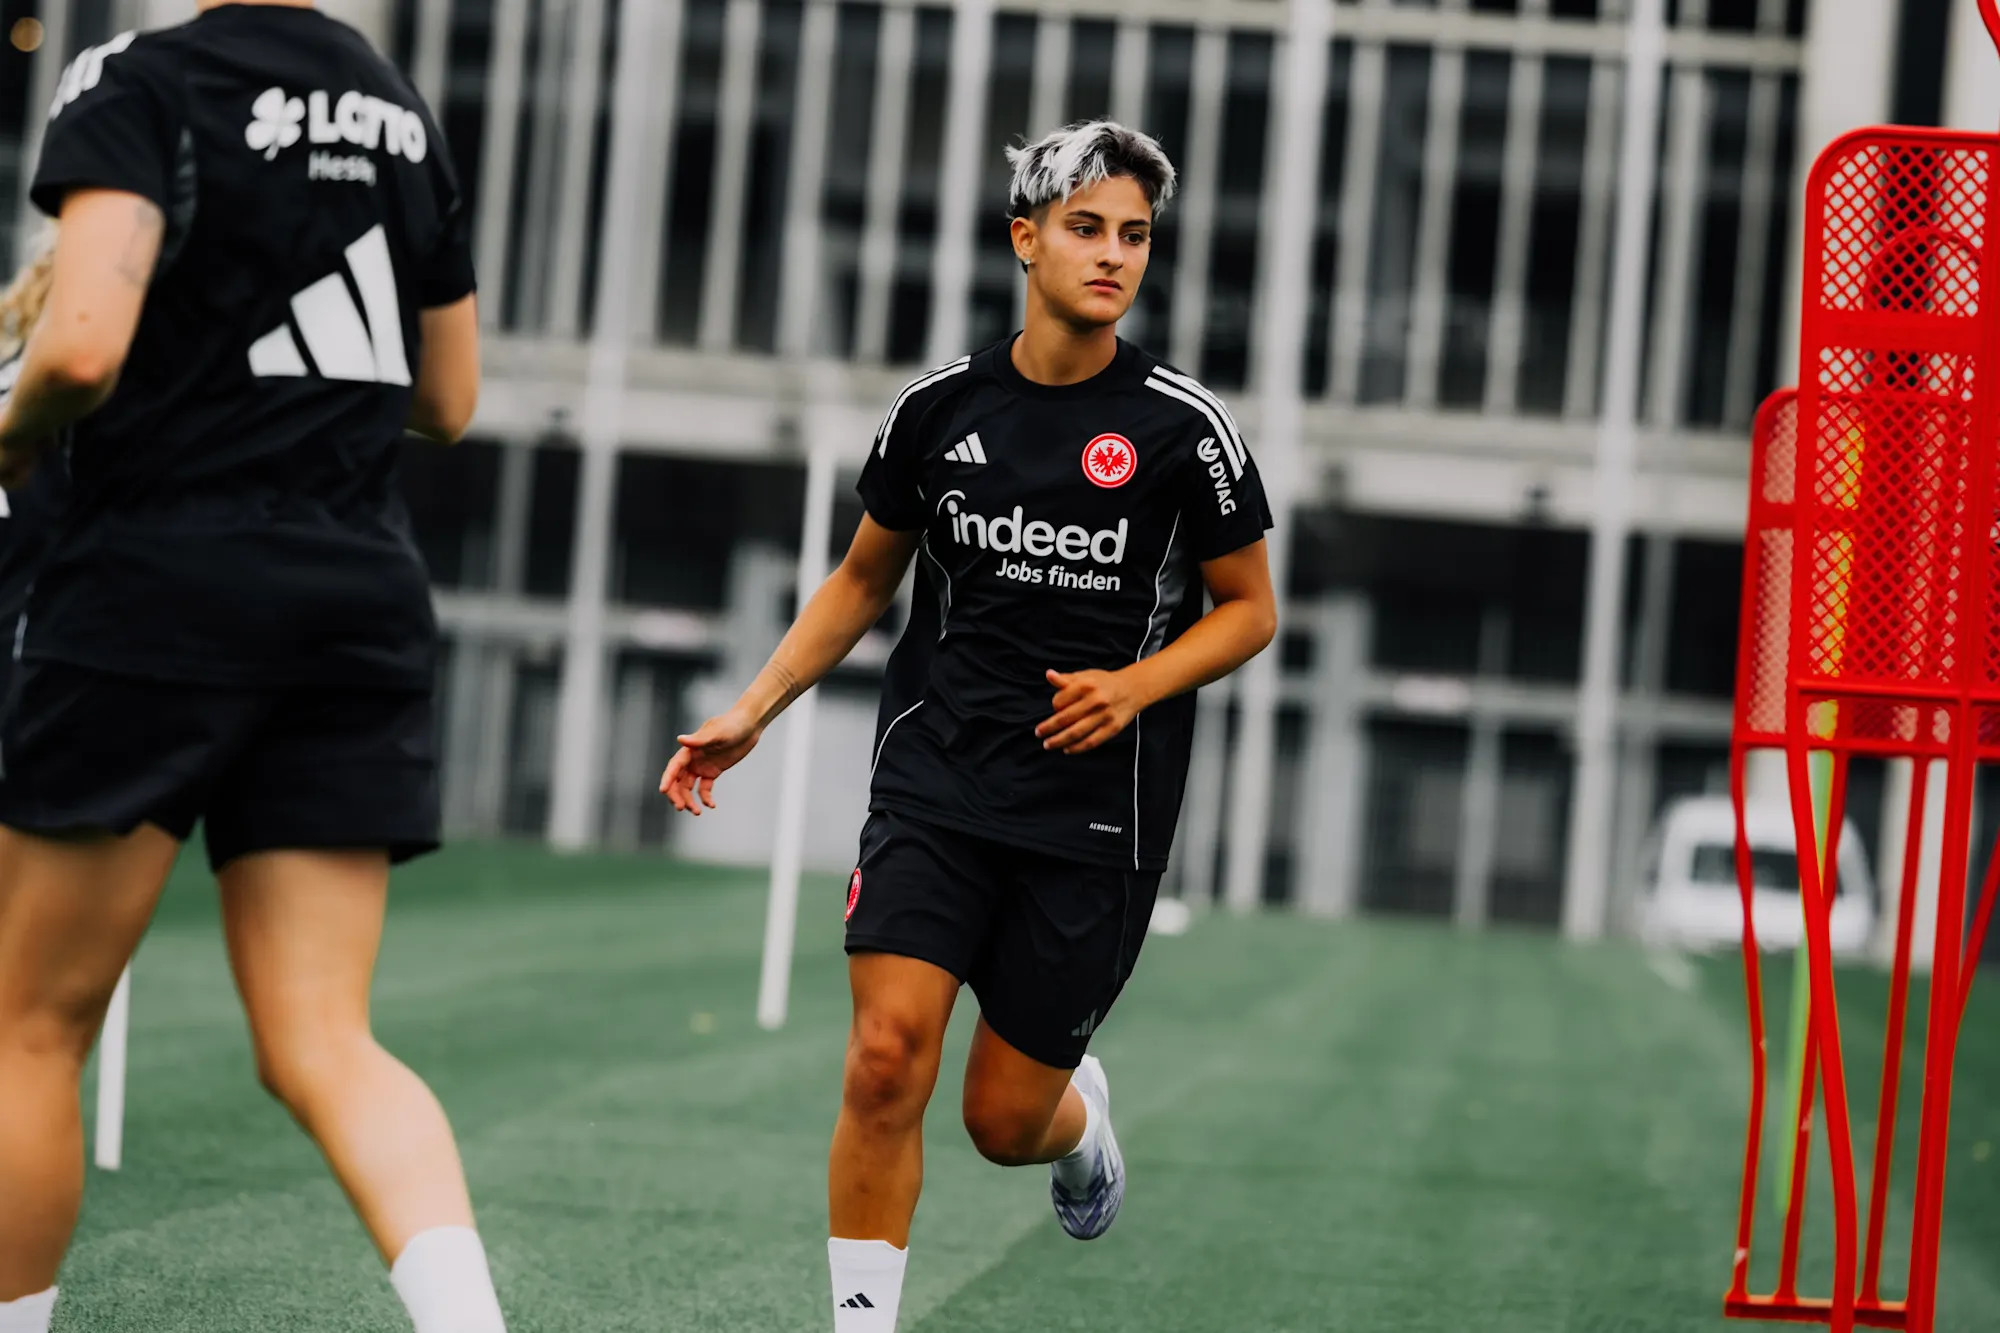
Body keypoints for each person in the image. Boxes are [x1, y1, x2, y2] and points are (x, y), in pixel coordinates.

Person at [662, 120, 1278, 1332]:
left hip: (1094, 814)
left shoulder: (1183, 429)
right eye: (1085, 228)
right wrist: (750, 709)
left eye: (1134, 235)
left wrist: (1133, 688)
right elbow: (861, 580)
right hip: (934, 781)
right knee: (884, 1059)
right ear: (1024, 239)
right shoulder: (937, 410)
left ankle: (1079, 1127)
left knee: (1001, 1120)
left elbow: (1249, 612)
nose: (1112, 254)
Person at [0, 4, 501, 1332]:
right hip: (355, 599)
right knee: (326, 1040)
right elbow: (450, 398)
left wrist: (9, 436)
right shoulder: (398, 110)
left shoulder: (140, 74)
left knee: (29, 1026)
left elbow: (80, 346)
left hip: (160, 589)